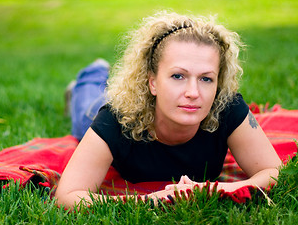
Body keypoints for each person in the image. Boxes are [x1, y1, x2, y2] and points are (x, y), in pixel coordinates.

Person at [55, 11, 282, 208]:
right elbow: (67, 196)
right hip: (104, 110)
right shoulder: (116, 118)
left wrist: (211, 189)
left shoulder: (227, 106)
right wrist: (153, 200)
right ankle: (92, 74)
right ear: (152, 82)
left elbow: (274, 171)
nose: (193, 92)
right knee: (87, 106)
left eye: (205, 78)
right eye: (178, 76)